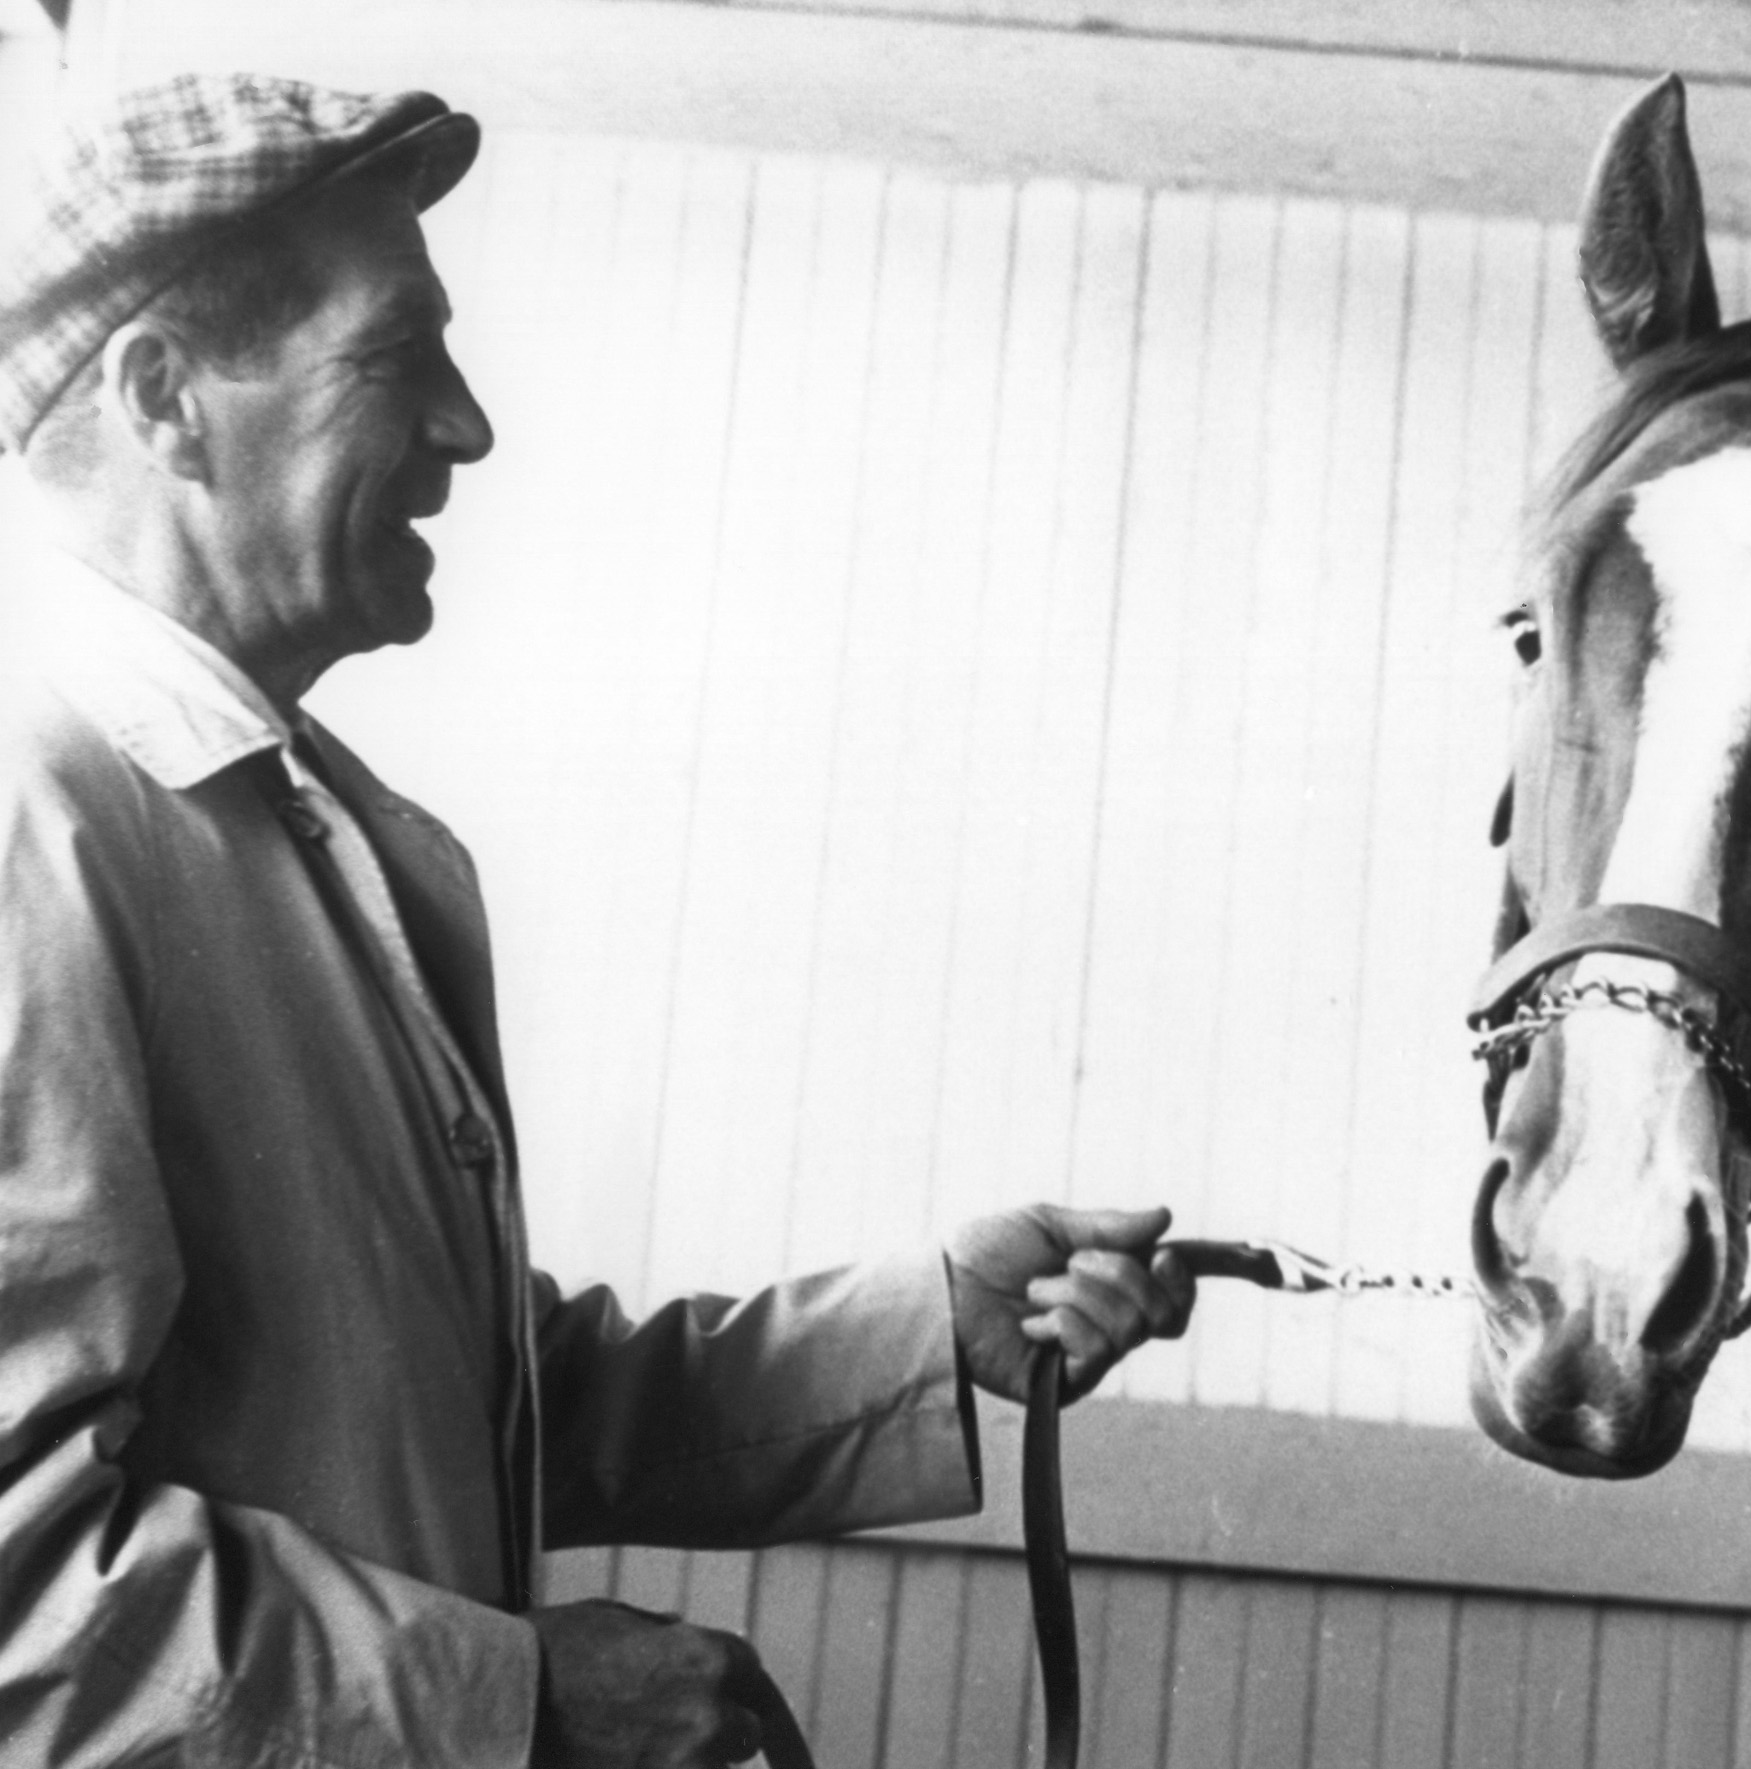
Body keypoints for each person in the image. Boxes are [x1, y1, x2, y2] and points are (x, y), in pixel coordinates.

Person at [0, 74, 1196, 1767]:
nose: (467, 425)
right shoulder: (27, 829)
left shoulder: (319, 838)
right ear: (164, 397)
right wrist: (523, 1700)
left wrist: (925, 1323)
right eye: (393, 351)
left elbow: (459, 1398)